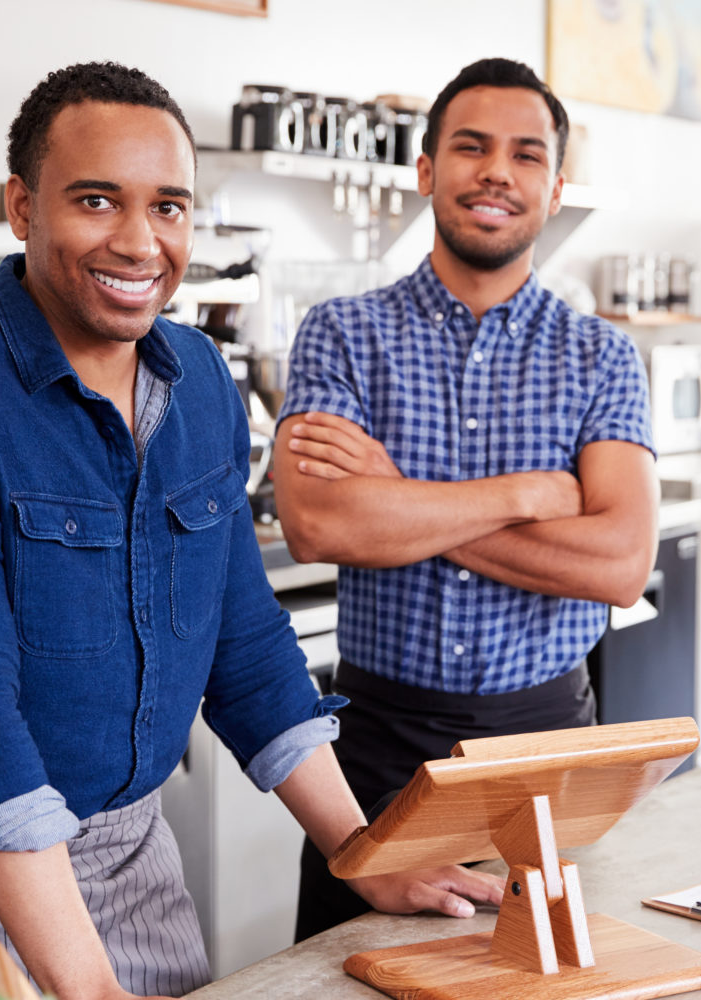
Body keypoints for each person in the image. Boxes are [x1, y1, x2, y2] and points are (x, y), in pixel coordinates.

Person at [0, 61, 499, 1000]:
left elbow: (246, 644)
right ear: (22, 206)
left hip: (134, 860)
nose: (140, 243)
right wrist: (91, 988)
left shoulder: (199, 380)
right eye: (97, 201)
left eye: (170, 207)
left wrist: (357, 850)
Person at [275, 57, 659, 941]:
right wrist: (525, 496)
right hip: (373, 757)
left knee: (535, 986)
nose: (497, 171)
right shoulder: (342, 333)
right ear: (426, 171)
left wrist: (400, 503)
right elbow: (318, 522)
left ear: (555, 187)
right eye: (471, 147)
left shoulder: (599, 357)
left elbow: (617, 562)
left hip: (544, 759)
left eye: (526, 155)